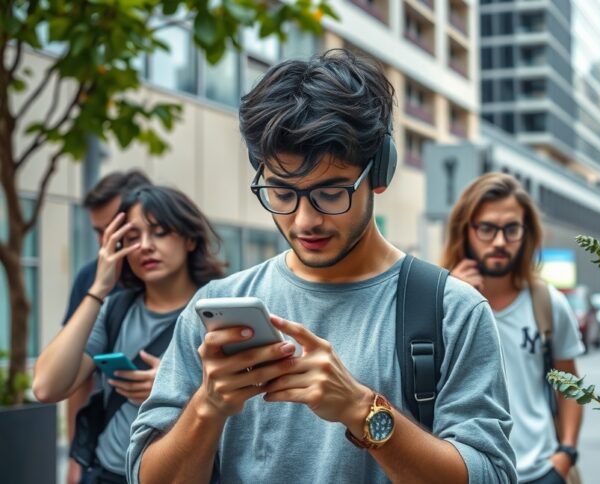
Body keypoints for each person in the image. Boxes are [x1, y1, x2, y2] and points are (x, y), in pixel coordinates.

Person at [127, 50, 516, 484]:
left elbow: (492, 476)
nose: (304, 220)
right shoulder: (213, 307)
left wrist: (362, 410)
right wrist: (208, 406)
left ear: (380, 172)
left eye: (331, 193)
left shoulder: (452, 310)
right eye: (281, 192)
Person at [33, 185, 226, 483]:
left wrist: (175, 388)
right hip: (106, 472)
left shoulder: (217, 312)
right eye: (133, 238)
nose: (145, 246)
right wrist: (98, 288)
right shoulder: (113, 309)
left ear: (189, 238)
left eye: (159, 232)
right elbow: (46, 387)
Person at [441, 173, 585, 484]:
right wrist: (454, 298)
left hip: (539, 472)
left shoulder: (547, 303)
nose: (499, 242)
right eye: (487, 228)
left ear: (526, 233)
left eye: (511, 229)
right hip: (465, 472)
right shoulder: (436, 300)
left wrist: (566, 455)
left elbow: (570, 386)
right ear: (466, 231)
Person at [61, 170, 151, 484]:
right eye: (99, 231)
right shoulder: (91, 277)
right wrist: (76, 457)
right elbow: (75, 380)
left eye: (115, 227)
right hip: (103, 457)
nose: (106, 241)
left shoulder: (194, 286)